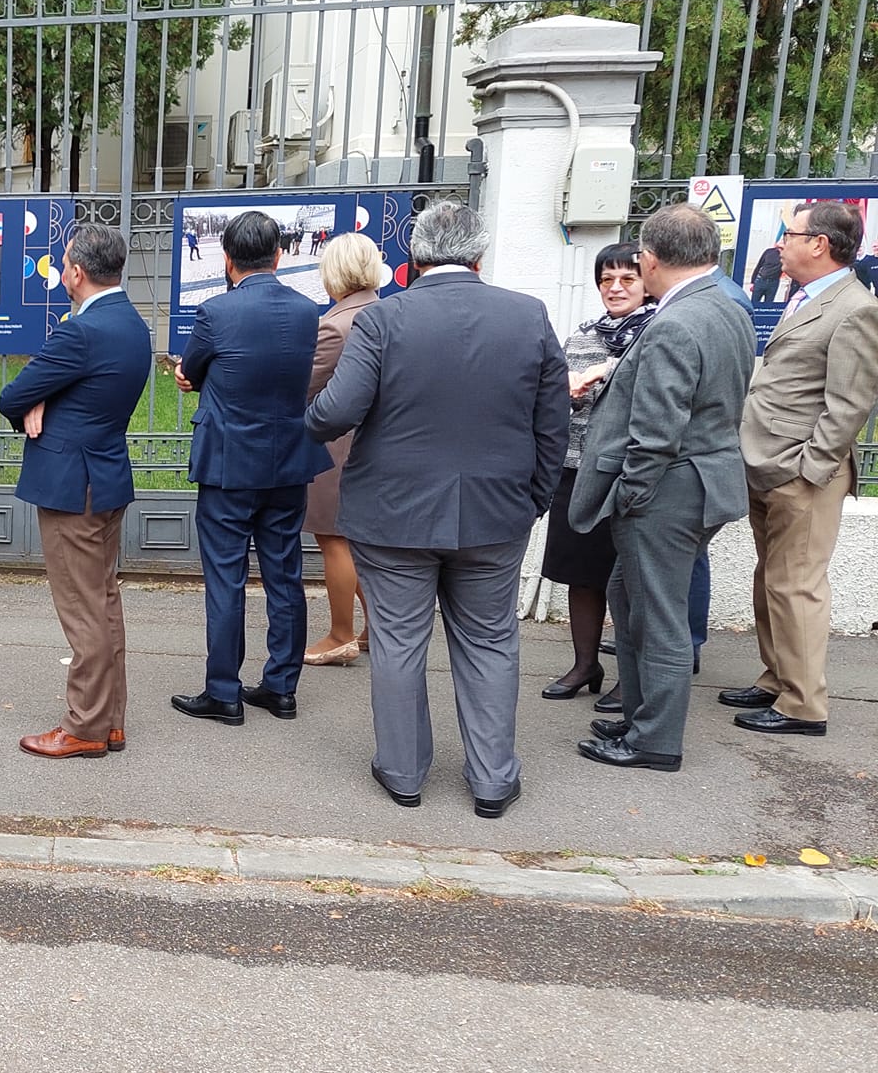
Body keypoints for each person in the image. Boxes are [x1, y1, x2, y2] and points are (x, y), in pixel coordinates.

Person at [305, 200, 567, 819]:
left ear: (414, 258)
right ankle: (493, 780)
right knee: (491, 642)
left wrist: (309, 418)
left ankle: (403, 773)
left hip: (392, 513)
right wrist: (534, 497)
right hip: (496, 512)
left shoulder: (384, 319)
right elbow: (552, 421)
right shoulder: (527, 315)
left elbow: (335, 412)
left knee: (398, 642)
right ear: (479, 255)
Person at [568, 208, 753, 772]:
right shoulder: (725, 304)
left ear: (649, 259)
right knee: (628, 597)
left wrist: (631, 492)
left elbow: (657, 431)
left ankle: (655, 741)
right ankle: (640, 716)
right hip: (703, 480)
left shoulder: (676, 321)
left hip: (670, 489)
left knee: (658, 616)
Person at [0, 225, 153, 759]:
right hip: (105, 478)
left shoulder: (80, 332)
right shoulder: (132, 324)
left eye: (64, 264)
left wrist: (37, 398)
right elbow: (82, 392)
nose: (62, 272)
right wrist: (46, 397)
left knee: (84, 611)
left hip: (72, 488)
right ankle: (110, 721)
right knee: (103, 602)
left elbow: (11, 396)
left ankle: (84, 726)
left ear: (77, 273)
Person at [721, 200, 878, 738]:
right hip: (769, 465)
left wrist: (809, 470)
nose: (780, 244)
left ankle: (804, 705)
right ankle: (778, 678)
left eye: (789, 235)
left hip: (801, 474)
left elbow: (849, 404)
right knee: (773, 579)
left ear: (819, 244)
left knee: (797, 586)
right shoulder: (806, 296)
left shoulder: (854, 308)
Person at [170, 211, 330, 726]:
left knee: (226, 577)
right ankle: (282, 688)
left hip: (229, 463)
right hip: (289, 460)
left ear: (227, 258)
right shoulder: (307, 311)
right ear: (279, 256)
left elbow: (194, 369)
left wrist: (187, 376)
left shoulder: (215, 312)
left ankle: (224, 692)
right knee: (285, 575)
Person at [539, 244, 654, 701]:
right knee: (579, 574)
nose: (615, 288)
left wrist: (605, 376)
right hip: (577, 469)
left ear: (647, 283)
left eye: (627, 278)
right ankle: (585, 665)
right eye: (607, 279)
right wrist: (568, 394)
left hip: (628, 472)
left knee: (630, 582)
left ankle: (632, 677)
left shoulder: (657, 331)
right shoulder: (584, 336)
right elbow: (557, 394)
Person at [303, 232, 386, 666]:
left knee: (335, 539)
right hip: (375, 443)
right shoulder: (387, 312)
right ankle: (377, 627)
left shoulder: (336, 326)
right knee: (360, 543)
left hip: (337, 446)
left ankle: (340, 634)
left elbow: (307, 387)